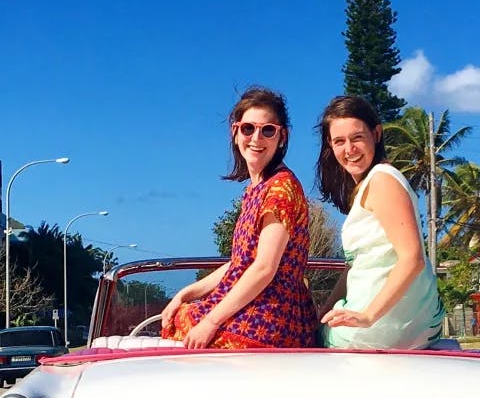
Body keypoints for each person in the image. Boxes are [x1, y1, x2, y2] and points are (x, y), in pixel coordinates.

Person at [161, 86, 316, 349]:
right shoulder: (257, 188)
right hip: (255, 306)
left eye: (268, 130)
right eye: (248, 128)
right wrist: (185, 293)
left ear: (282, 137)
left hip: (272, 317)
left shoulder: (281, 188)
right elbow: (240, 264)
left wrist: (211, 322)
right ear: (235, 133)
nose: (257, 138)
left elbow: (264, 268)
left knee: (186, 325)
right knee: (181, 314)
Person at [315, 95, 444, 350]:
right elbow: (358, 264)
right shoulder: (372, 183)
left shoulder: (383, 181)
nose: (349, 149)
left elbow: (413, 258)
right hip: (397, 323)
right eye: (339, 141)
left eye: (357, 137)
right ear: (330, 145)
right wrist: (325, 312)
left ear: (376, 134)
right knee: (316, 327)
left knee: (299, 340)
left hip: (383, 326)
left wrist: (368, 316)